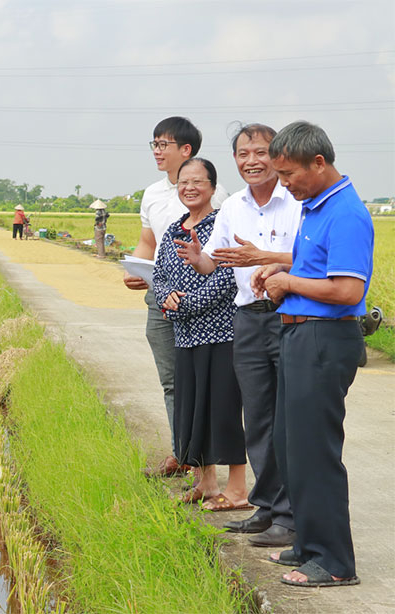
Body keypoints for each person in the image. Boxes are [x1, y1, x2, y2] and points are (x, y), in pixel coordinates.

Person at [251, 121, 372, 588]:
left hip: (325, 339)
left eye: (288, 175)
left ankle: (334, 562)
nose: (284, 185)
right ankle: (308, 544)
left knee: (315, 451)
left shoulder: (346, 213)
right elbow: (314, 267)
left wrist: (286, 282)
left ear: (318, 163)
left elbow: (346, 289)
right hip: (300, 336)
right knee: (290, 445)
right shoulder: (315, 207)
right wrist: (281, 268)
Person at [174, 124, 301, 546]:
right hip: (247, 319)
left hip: (291, 317)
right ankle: (267, 509)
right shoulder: (232, 209)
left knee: (290, 418)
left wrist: (268, 258)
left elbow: (315, 257)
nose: (252, 160)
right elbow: (216, 264)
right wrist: (198, 259)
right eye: (243, 153)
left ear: (279, 155)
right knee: (259, 419)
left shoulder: (296, 202)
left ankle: (293, 514)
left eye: (261, 152)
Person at [125, 117, 229, 477]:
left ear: (186, 150)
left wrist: (193, 298)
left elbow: (224, 257)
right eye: (153, 144)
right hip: (162, 298)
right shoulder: (153, 194)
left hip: (207, 305)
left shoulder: (220, 196)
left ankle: (204, 462)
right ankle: (180, 450)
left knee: (206, 383)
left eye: (163, 144)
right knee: (172, 380)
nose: (156, 150)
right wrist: (136, 270)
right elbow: (148, 242)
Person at [153, 157, 246, 509]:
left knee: (224, 407)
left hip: (220, 331)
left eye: (197, 182)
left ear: (212, 186)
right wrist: (166, 297)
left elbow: (225, 277)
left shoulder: (221, 223)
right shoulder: (174, 229)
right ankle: (204, 482)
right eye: (183, 182)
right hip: (185, 334)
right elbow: (159, 276)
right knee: (192, 408)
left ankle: (237, 487)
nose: (189, 188)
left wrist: (185, 303)